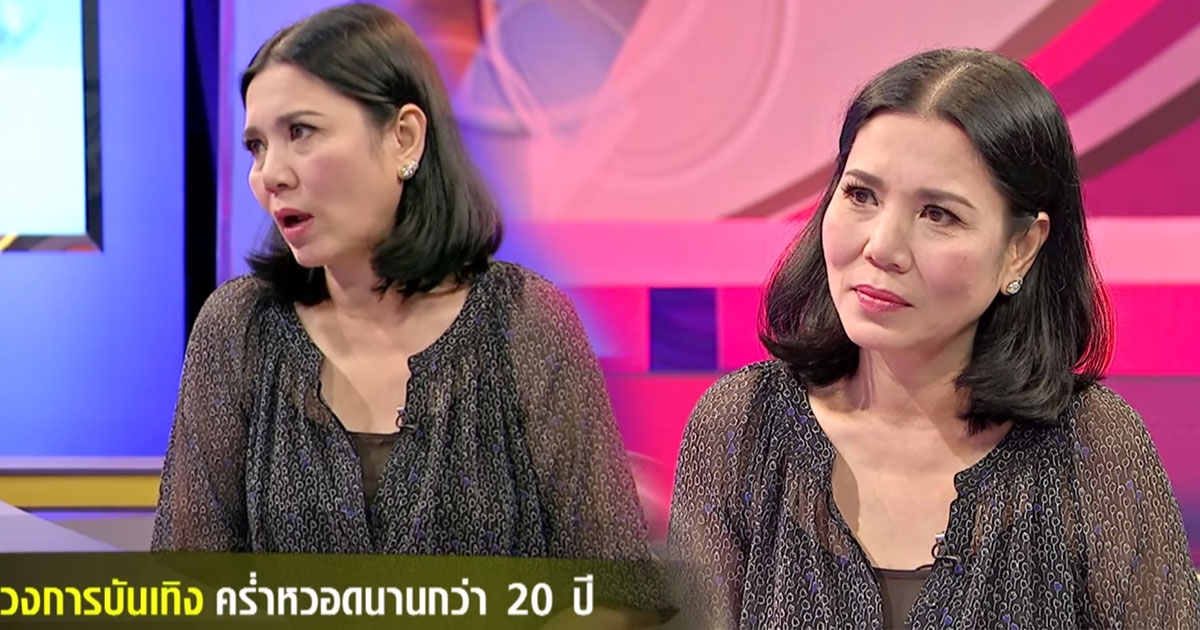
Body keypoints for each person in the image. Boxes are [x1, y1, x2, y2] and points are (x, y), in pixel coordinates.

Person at [152, 3, 670, 623]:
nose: (270, 175)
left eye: (302, 132)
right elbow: (189, 583)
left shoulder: (524, 321)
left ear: (404, 137)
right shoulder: (239, 327)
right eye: (256, 147)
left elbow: (614, 589)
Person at [668, 48, 1200, 629]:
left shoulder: (1091, 447)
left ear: (1020, 248)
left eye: (938, 214)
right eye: (861, 195)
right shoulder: (743, 427)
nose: (882, 248)